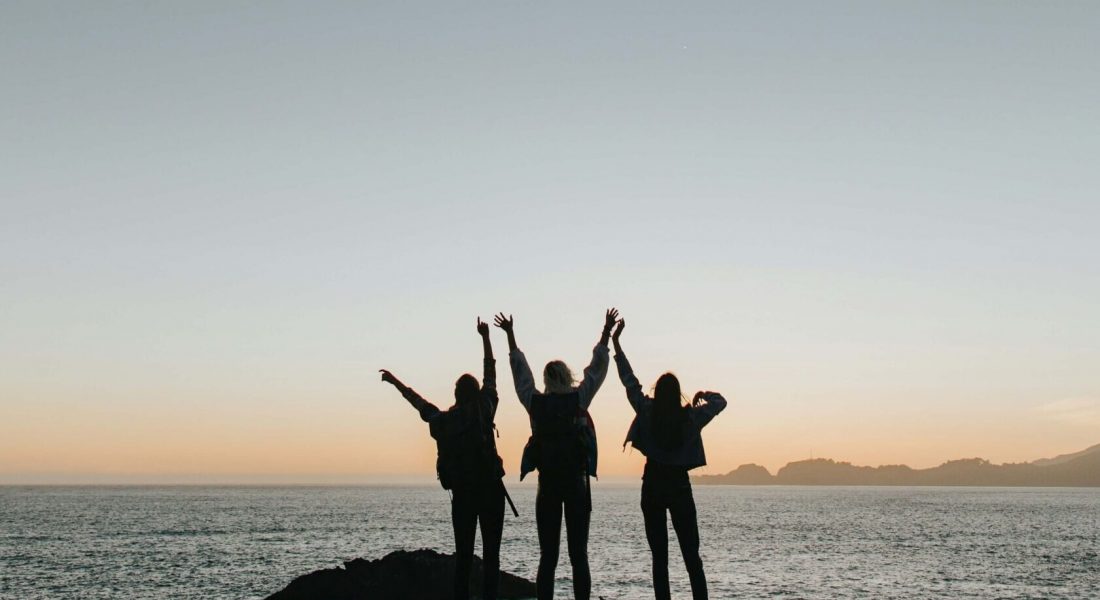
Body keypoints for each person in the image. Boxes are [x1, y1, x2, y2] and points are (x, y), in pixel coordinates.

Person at [493, 309, 618, 600]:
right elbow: (597, 368)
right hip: (576, 484)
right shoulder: (579, 399)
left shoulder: (535, 404)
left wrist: (510, 336)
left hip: (547, 486)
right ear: (568, 376)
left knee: (547, 557)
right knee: (579, 556)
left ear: (547, 380)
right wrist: (606, 331)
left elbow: (520, 375)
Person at [378, 317, 506, 600]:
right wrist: (486, 338)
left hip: (462, 495)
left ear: (456, 395)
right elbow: (491, 374)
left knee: (463, 558)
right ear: (476, 393)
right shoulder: (485, 409)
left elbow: (419, 404)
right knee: (492, 557)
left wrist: (395, 382)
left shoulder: (443, 422)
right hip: (491, 491)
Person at [610, 317, 727, 600]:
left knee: (659, 559)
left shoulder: (646, 410)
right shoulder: (691, 417)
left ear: (657, 392)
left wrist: (617, 344)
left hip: (652, 484)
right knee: (692, 557)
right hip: (679, 486)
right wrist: (703, 394)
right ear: (677, 393)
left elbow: (630, 383)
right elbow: (720, 402)